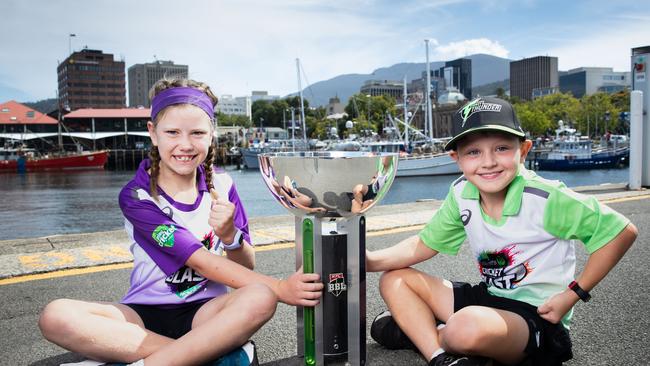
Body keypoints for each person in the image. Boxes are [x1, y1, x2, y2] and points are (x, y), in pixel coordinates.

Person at [38, 78, 323, 366]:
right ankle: (201, 354)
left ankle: (157, 359)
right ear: (153, 133)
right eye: (172, 132)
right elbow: (198, 260)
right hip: (142, 314)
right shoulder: (137, 195)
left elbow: (245, 266)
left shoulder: (222, 184)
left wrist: (229, 235)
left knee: (260, 297)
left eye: (197, 132)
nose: (184, 144)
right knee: (56, 315)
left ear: (211, 134)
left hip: (207, 312)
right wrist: (281, 287)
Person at [366, 97, 637, 366]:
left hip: (537, 316)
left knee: (464, 328)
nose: (488, 162)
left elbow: (621, 231)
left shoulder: (544, 197)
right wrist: (368, 261)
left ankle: (426, 333)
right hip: (491, 298)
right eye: (473, 152)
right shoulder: (462, 192)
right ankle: (440, 357)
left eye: (502, 148)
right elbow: (424, 243)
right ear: (456, 158)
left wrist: (574, 293)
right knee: (394, 280)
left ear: (523, 150)